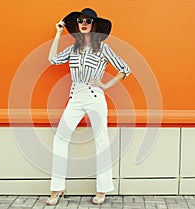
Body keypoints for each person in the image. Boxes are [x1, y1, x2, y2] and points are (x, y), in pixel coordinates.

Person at [45, 8, 131, 205]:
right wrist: (58, 33)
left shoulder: (103, 48)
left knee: (101, 142)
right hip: (75, 97)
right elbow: (53, 59)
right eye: (81, 20)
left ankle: (102, 189)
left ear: (94, 26)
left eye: (88, 21)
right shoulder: (73, 49)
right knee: (60, 139)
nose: (84, 23)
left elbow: (125, 69)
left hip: (94, 97)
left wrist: (106, 85)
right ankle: (57, 187)